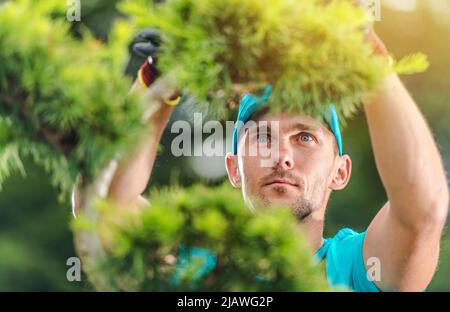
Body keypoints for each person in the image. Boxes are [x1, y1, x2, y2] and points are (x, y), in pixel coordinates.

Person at [89, 28, 449, 292]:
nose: (281, 157)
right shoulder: (191, 266)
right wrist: (157, 82)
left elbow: (423, 210)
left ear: (340, 172)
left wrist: (370, 61)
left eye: (304, 137)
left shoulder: (355, 267)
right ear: (233, 168)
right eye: (262, 137)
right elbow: (100, 209)